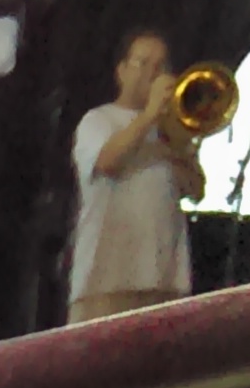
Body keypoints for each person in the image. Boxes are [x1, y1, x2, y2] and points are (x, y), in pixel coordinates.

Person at [67, 30, 203, 325]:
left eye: (161, 65)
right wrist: (150, 115)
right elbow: (107, 162)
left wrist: (180, 146)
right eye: (143, 63)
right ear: (121, 71)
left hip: (165, 281)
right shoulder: (97, 120)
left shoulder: (170, 128)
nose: (154, 73)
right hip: (106, 283)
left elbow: (196, 190)